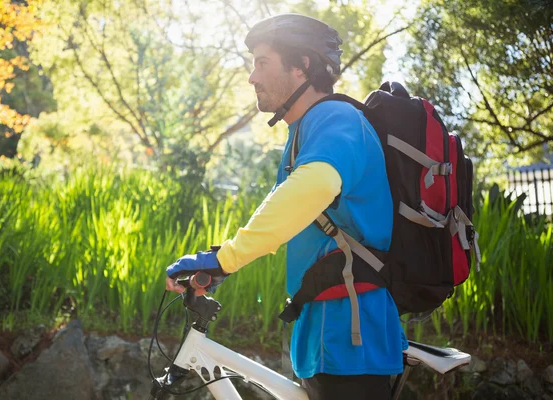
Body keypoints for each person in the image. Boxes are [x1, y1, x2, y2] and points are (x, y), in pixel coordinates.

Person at [166, 13, 407, 400]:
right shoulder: (306, 131)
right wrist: (218, 261)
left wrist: (225, 259)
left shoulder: (336, 118)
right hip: (328, 332)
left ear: (302, 66)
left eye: (263, 63)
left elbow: (311, 189)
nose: (252, 77)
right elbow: (285, 209)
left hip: (350, 336)